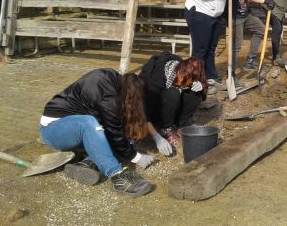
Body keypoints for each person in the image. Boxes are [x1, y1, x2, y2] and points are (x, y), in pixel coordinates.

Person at [39, 69, 155, 197]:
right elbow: (114, 133)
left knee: (109, 134)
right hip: (53, 130)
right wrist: (136, 157)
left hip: (74, 131)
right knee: (88, 123)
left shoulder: (115, 82)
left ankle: (88, 163)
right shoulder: (108, 95)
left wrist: (131, 147)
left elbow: (114, 128)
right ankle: (117, 177)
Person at [185, 0, 242, 94]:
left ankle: (211, 78)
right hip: (199, 12)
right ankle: (196, 83)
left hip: (215, 14)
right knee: (200, 51)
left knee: (211, 49)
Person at [140, 52, 207, 151]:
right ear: (180, 71)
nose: (185, 84)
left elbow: (196, 84)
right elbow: (144, 111)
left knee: (195, 93)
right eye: (186, 80)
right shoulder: (154, 77)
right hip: (155, 111)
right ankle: (166, 128)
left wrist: (202, 86)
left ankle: (179, 125)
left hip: (171, 106)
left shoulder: (183, 68)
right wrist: (156, 137)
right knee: (173, 92)